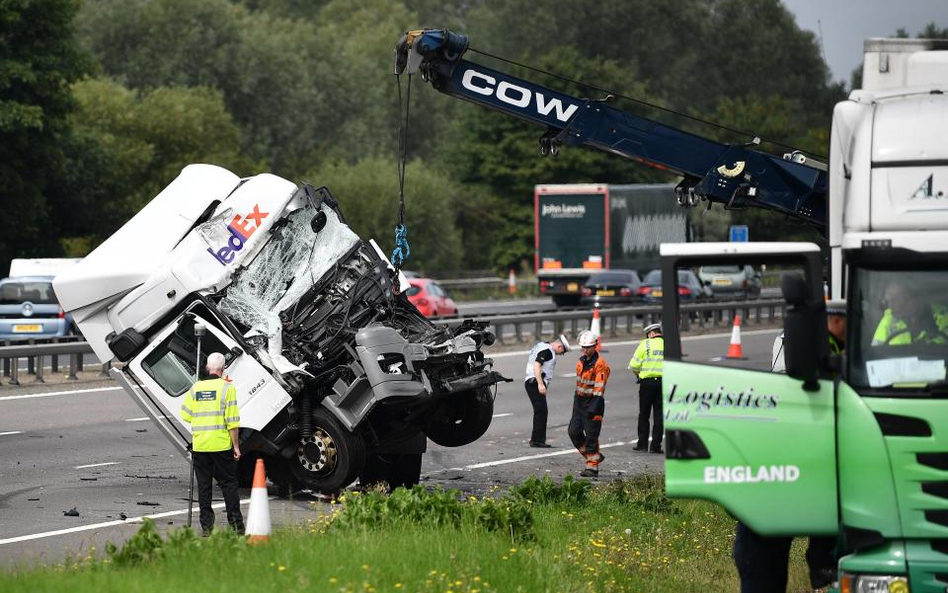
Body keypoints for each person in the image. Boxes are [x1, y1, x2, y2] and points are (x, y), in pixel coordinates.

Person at [734, 301, 847, 592]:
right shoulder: (810, 347)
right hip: (769, 502)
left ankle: (823, 565)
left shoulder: (814, 345)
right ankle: (822, 566)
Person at [181, 352, 244, 536]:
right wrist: (236, 446)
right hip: (221, 446)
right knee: (229, 485)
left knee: (204, 486)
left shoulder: (196, 388)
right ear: (223, 369)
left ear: (208, 368)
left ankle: (207, 528)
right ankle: (236, 526)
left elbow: (185, 413)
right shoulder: (227, 388)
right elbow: (232, 421)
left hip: (200, 446)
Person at [568, 330, 611, 477]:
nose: (585, 350)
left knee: (592, 435)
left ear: (595, 346)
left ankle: (592, 467)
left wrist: (594, 407)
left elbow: (599, 388)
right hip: (579, 400)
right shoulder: (581, 362)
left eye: (588, 347)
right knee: (573, 431)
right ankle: (593, 457)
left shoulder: (600, 365)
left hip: (594, 401)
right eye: (583, 347)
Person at [523, 334, 570, 447]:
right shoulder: (548, 351)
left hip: (532, 381)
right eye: (562, 352)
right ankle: (537, 441)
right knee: (541, 411)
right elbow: (537, 365)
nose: (561, 354)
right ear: (560, 346)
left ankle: (537, 439)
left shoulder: (542, 345)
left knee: (540, 411)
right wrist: (540, 383)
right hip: (535, 382)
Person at [628, 322, 664, 453]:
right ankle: (656, 446)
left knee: (644, 414)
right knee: (659, 415)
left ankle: (642, 444)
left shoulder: (645, 344)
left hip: (647, 384)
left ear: (651, 333)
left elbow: (633, 366)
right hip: (663, 383)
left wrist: (639, 376)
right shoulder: (668, 344)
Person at [872, 284, 947, 345]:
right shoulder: (889, 319)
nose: (890, 306)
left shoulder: (944, 315)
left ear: (911, 298)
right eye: (888, 302)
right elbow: (876, 351)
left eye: (894, 301)